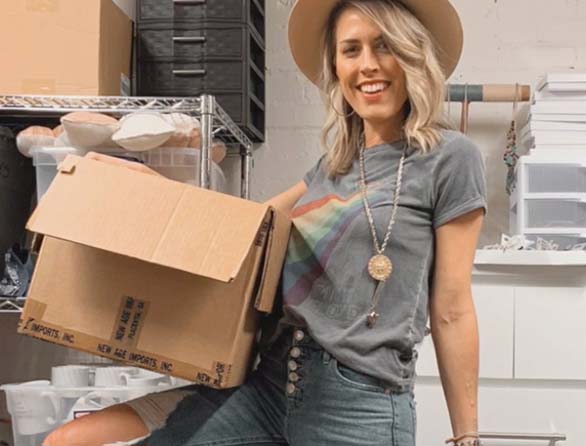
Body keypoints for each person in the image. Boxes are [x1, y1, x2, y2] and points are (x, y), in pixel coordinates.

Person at [43, 0, 487, 445]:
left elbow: (451, 309)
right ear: (336, 67)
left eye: (384, 46)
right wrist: (146, 184)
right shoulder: (331, 168)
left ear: (412, 54)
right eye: (351, 50)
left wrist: (466, 435)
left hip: (359, 404)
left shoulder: (449, 159)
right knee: (73, 439)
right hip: (269, 383)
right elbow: (242, 227)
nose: (368, 65)